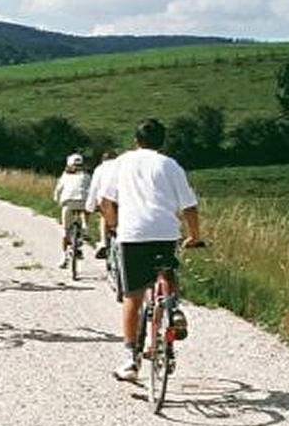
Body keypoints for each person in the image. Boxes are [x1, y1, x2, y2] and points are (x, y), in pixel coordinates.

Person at [97, 119, 202, 382]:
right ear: (163, 141)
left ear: (136, 140)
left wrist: (113, 225)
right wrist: (194, 236)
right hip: (165, 232)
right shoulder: (170, 165)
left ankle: (131, 360)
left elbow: (105, 201)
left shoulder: (122, 162)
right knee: (166, 273)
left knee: (133, 296)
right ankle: (173, 308)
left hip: (132, 235)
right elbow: (189, 205)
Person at [53, 153, 91, 268]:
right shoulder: (86, 176)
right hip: (82, 201)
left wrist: (57, 199)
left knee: (65, 230)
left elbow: (58, 190)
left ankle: (64, 257)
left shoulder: (65, 176)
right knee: (85, 208)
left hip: (68, 202)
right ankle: (85, 226)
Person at [86, 149, 118, 259]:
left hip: (105, 200)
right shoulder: (121, 167)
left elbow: (94, 188)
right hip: (122, 199)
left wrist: (89, 207)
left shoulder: (100, 169)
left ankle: (104, 242)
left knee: (104, 217)